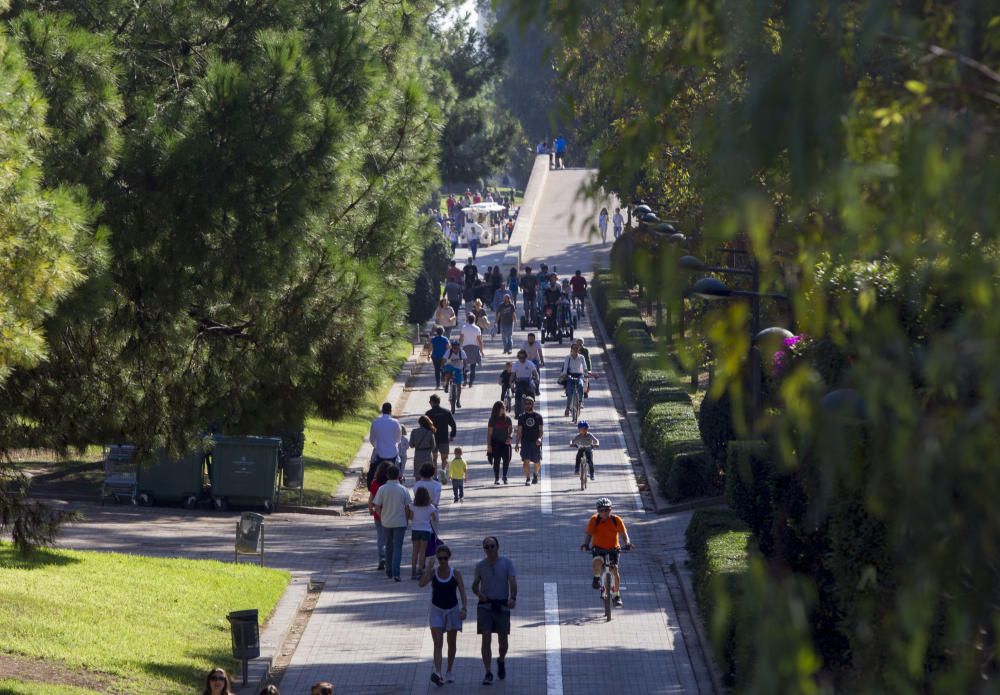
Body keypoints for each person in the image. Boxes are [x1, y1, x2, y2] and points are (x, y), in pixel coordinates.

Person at [419, 543, 468, 686]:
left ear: (449, 558)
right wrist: (428, 568)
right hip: (436, 610)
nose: (442, 561)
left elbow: (463, 593)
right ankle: (438, 672)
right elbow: (421, 584)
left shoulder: (455, 573)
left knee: (451, 643)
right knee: (438, 643)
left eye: (445, 558)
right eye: (440, 558)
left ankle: (449, 671)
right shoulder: (433, 573)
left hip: (452, 610)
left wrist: (464, 609)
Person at [472, 536, 517, 685]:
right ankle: (488, 671)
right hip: (485, 607)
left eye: (492, 546)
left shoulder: (507, 563)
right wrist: (479, 595)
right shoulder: (480, 566)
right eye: (487, 547)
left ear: (497, 547)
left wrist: (513, 598)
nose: (490, 550)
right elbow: (474, 586)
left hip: (502, 606)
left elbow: (512, 581)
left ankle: (501, 660)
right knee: (486, 637)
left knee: (503, 640)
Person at [580, 497, 634, 608]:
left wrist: (628, 543)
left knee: (615, 571)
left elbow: (624, 534)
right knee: (598, 561)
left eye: (607, 510)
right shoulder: (594, 520)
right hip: (598, 548)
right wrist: (585, 545)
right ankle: (596, 577)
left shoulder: (616, 520)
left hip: (613, 549)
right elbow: (589, 534)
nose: (604, 512)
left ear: (611, 509)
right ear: (598, 511)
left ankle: (616, 595)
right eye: (601, 510)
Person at [372, 465, 412, 581]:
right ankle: (396, 572)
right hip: (400, 521)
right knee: (398, 547)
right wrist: (407, 519)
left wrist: (381, 516)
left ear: (387, 476)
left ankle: (388, 570)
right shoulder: (403, 489)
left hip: (386, 521)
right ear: (398, 475)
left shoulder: (382, 489)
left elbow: (376, 506)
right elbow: (407, 507)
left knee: (388, 546)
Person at [368, 403, 401, 487]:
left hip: (380, 453)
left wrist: (376, 446)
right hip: (392, 454)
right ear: (390, 411)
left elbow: (372, 438)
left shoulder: (376, 422)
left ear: (382, 411)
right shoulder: (395, 422)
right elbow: (398, 439)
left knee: (380, 474)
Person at [368, 461, 391, 570]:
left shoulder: (375, 483)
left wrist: (370, 509)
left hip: (378, 514)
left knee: (380, 537)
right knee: (389, 537)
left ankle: (382, 557)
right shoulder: (391, 484)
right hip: (390, 513)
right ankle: (388, 557)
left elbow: (371, 498)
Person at [410, 486, 438, 579]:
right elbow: (434, 518)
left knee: (415, 552)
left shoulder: (412, 506)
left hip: (415, 529)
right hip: (425, 531)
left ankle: (413, 571)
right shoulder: (430, 507)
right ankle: (420, 570)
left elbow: (410, 517)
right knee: (422, 552)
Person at [514, 396, 543, 485]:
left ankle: (535, 474)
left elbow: (541, 430)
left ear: (533, 404)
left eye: (529, 403)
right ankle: (528, 478)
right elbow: (519, 431)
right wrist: (517, 443)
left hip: (535, 442)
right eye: (526, 403)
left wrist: (539, 438)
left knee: (537, 462)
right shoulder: (521, 417)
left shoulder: (538, 417)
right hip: (525, 442)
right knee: (526, 460)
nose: (527, 405)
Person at [426, 394, 457, 470]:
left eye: (430, 401)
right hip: (444, 439)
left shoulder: (428, 413)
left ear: (432, 402)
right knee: (444, 458)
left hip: (433, 439)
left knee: (434, 459)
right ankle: (443, 471)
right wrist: (452, 435)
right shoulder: (446, 412)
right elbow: (453, 425)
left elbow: (425, 427)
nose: (429, 403)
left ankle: (435, 475)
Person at [487, 401, 514, 485]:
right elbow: (490, 433)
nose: (504, 409)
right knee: (496, 461)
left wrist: (510, 437)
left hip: (505, 443)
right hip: (496, 443)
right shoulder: (492, 420)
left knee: (506, 460)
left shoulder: (507, 419)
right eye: (502, 407)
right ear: (497, 409)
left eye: (504, 407)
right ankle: (497, 478)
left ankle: (505, 477)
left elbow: (511, 430)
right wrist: (489, 445)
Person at [560, 342, 590, 417]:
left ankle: (580, 402)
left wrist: (586, 373)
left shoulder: (581, 357)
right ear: (571, 349)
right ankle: (567, 408)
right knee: (570, 392)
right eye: (574, 348)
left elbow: (585, 367)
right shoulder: (568, 357)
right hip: (570, 375)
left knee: (580, 385)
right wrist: (564, 374)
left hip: (579, 375)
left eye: (577, 348)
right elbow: (565, 367)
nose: (576, 350)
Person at [459, 314, 484, 387]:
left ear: (467, 320)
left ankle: (465, 380)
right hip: (474, 348)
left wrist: (460, 346)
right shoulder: (477, 328)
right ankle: (471, 382)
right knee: (473, 366)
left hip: (465, 348)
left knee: (464, 365)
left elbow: (461, 338)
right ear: (474, 319)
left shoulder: (464, 327)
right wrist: (481, 350)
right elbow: (479, 341)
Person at [441, 340, 468, 407]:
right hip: (450, 366)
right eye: (454, 348)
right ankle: (446, 384)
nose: (455, 350)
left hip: (459, 368)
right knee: (447, 371)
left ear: (459, 347)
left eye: (457, 348)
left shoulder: (462, 352)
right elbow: (444, 359)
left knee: (459, 385)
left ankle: (458, 401)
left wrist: (465, 368)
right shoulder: (448, 352)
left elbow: (465, 361)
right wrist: (442, 366)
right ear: (452, 348)